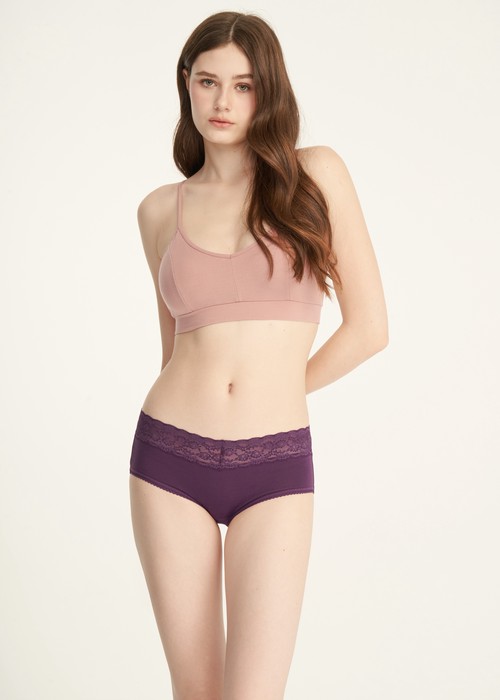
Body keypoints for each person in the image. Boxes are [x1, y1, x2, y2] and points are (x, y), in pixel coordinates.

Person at [129, 10, 388, 700]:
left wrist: (280, 389)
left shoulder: (315, 175)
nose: (223, 101)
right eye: (208, 81)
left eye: (243, 85)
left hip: (275, 460)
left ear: (267, 91)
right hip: (169, 457)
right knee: (195, 689)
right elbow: (174, 350)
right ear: (186, 84)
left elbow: (370, 328)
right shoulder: (159, 211)